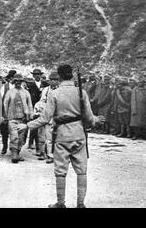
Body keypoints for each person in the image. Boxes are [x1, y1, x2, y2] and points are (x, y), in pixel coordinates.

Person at [21, 64, 105, 208]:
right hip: (79, 134)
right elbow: (89, 118)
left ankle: (61, 203)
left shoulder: (55, 93)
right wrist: (96, 120)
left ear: (59, 77)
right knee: (81, 171)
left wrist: (27, 125)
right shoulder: (81, 93)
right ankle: (80, 203)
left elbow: (44, 119)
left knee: (60, 171)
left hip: (61, 136)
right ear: (71, 76)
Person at [3, 73, 33, 163]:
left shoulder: (26, 92)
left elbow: (30, 104)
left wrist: (31, 115)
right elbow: (5, 104)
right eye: (16, 81)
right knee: (14, 136)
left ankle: (18, 152)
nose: (18, 83)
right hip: (12, 118)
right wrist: (4, 116)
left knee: (21, 137)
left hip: (23, 118)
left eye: (20, 81)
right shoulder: (9, 92)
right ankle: (14, 154)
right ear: (14, 81)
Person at [34, 70, 59, 163]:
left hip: (59, 117)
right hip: (48, 116)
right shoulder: (46, 90)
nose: (53, 82)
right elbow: (42, 101)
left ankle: (59, 155)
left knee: (59, 137)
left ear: (58, 80)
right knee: (48, 137)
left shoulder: (60, 90)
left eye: (55, 80)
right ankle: (49, 155)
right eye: (51, 80)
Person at [0, 70, 16, 155]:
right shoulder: (4, 87)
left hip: (15, 111)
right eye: (12, 78)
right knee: (4, 130)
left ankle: (13, 147)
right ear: (9, 78)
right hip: (6, 111)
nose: (13, 79)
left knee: (14, 130)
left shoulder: (18, 87)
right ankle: (4, 145)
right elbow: (1, 99)